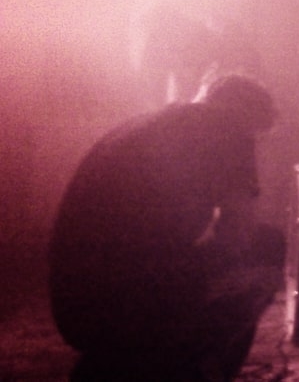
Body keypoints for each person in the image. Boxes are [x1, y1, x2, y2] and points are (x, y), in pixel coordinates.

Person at [49, 75, 284, 382]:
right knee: (267, 246)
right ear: (250, 117)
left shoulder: (139, 126)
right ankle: (198, 366)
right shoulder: (229, 129)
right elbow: (240, 231)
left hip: (74, 309)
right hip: (130, 310)